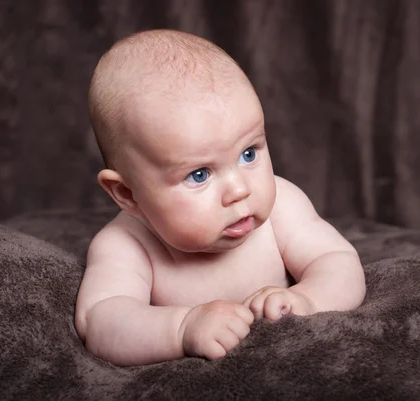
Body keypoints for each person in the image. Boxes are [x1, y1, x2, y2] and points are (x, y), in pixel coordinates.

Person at [75, 29, 366, 366]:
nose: (240, 190)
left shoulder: (282, 206)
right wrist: (181, 328)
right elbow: (102, 321)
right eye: (199, 175)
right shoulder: (125, 245)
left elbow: (338, 261)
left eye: (248, 153)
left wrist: (308, 300)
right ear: (128, 194)